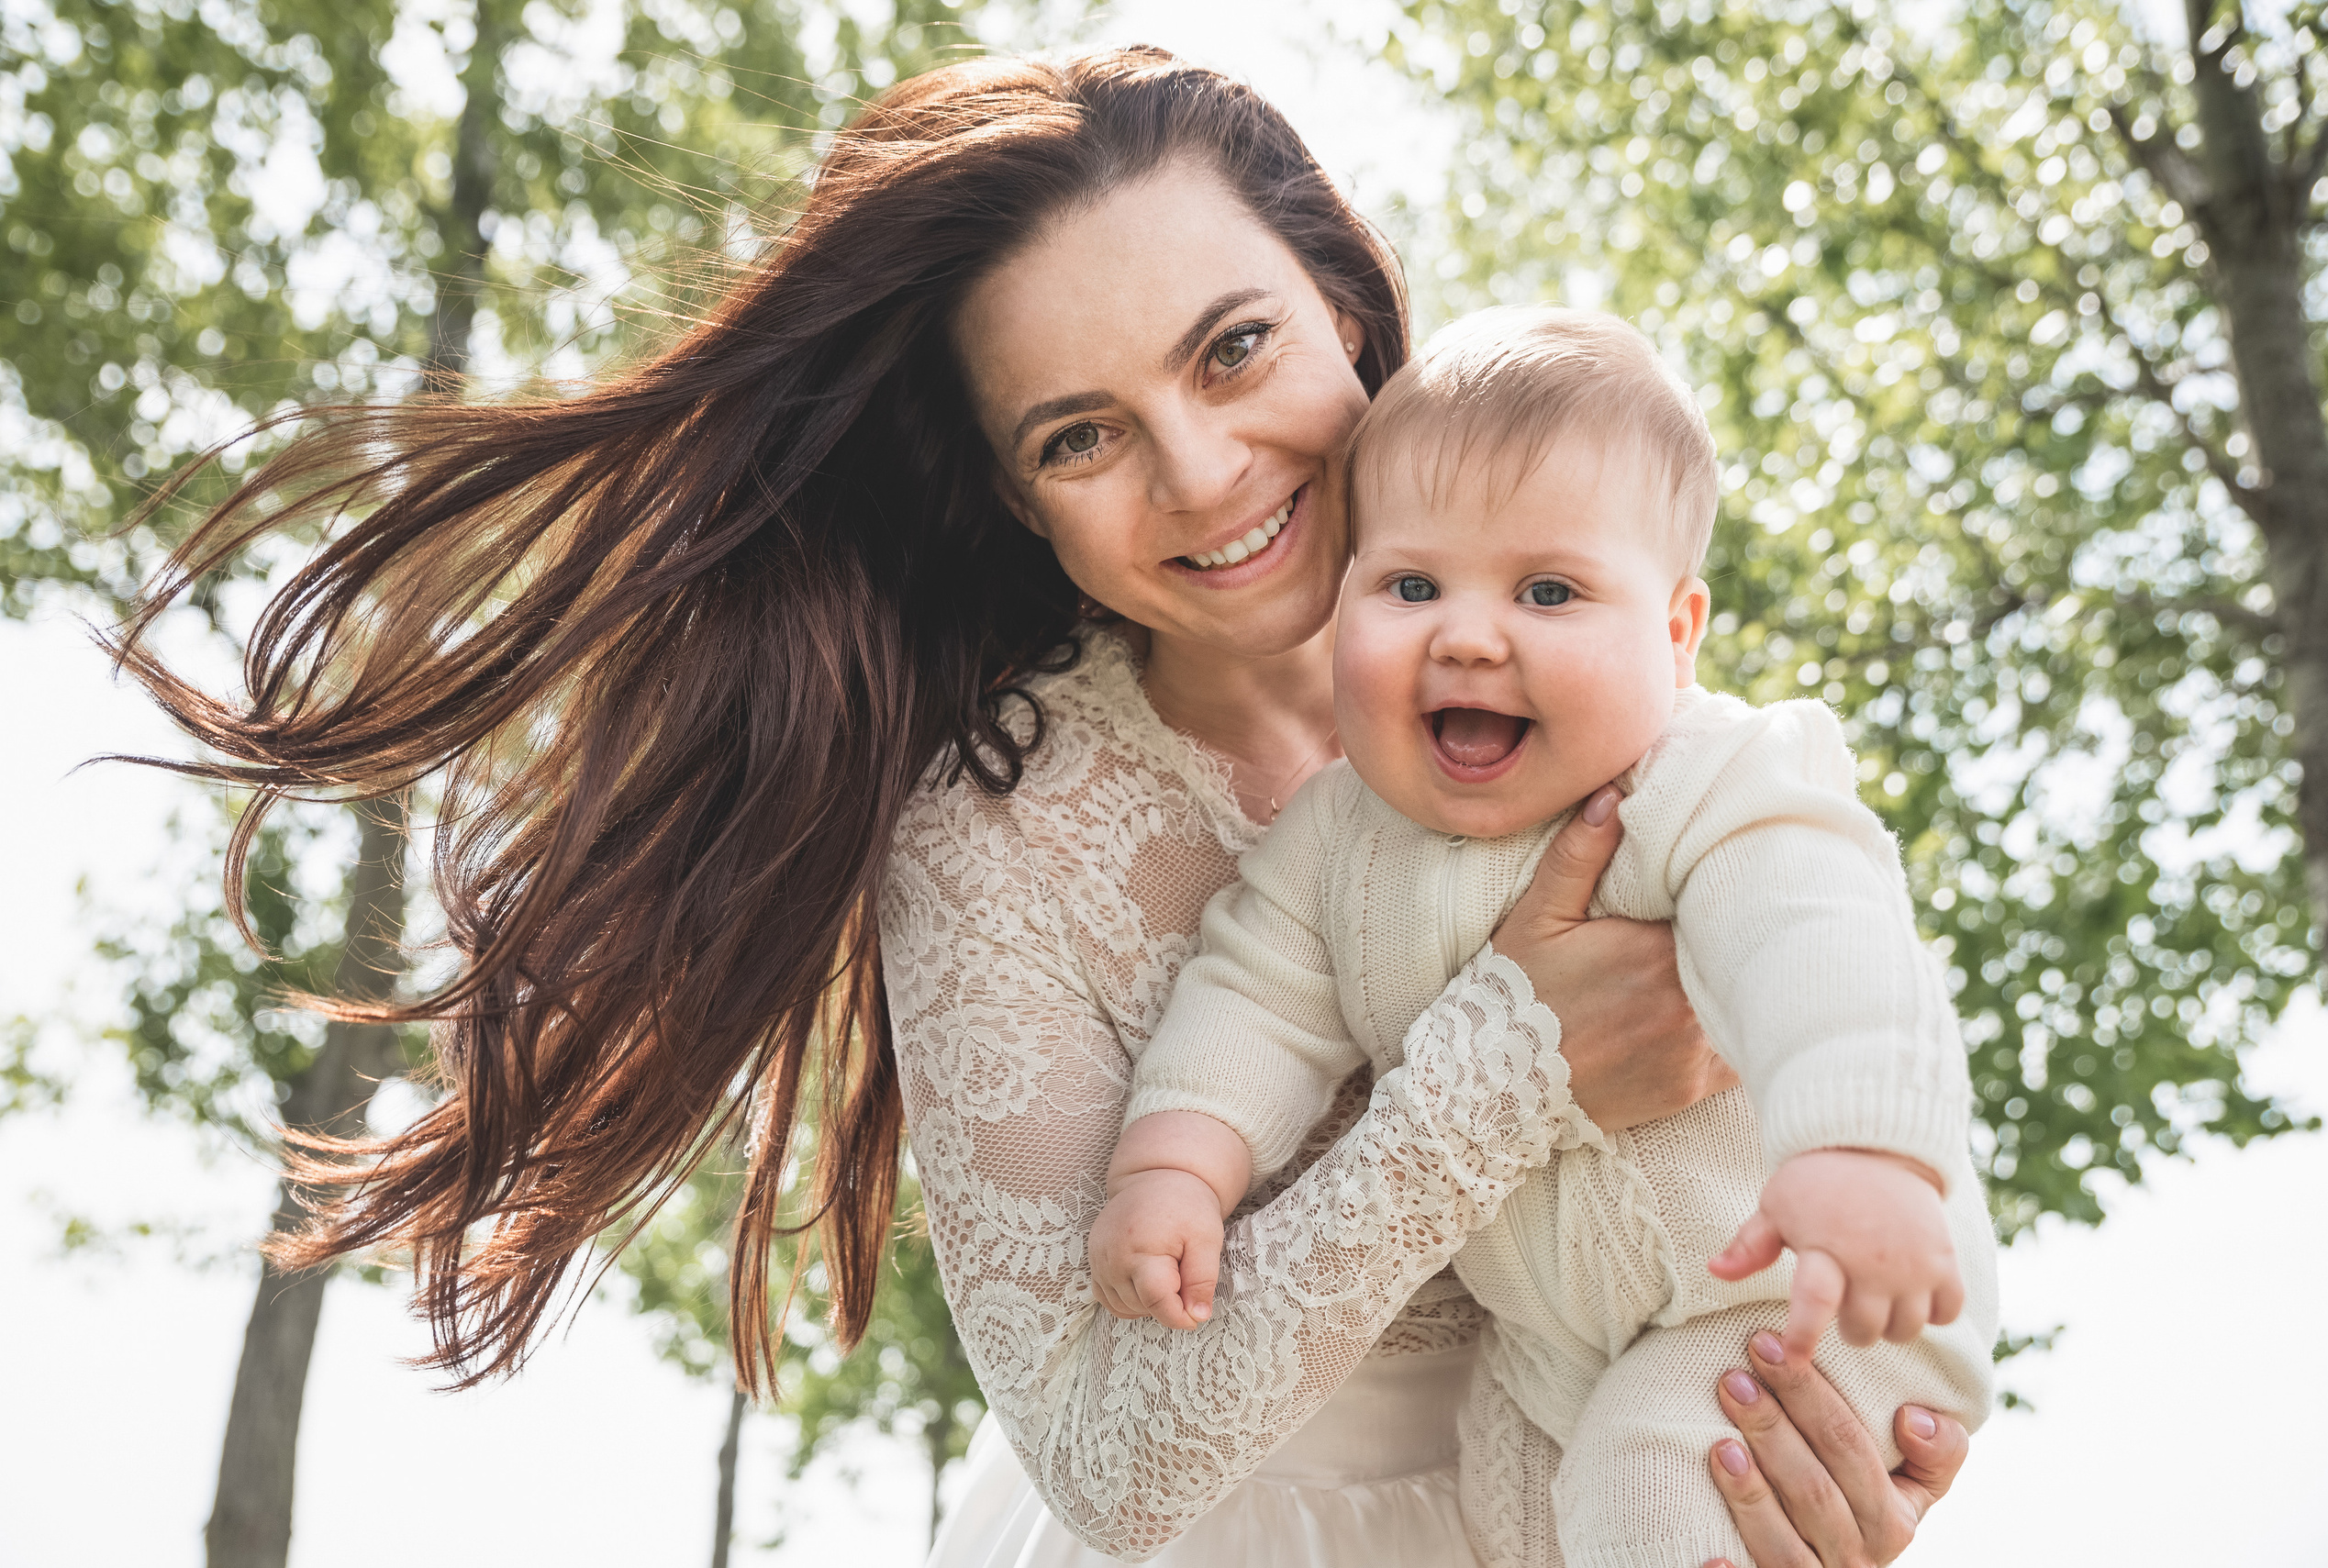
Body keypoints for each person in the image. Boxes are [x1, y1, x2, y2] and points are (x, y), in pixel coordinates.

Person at [111, 47, 1973, 1568]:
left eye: (1232, 349)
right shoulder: (1000, 840)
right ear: (1019, 505)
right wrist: (1509, 1062)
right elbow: (1111, 1462)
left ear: (1340, 309)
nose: (1198, 470)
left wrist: (1839, 1430)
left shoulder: (1579, 620)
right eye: (1078, 435)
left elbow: (1836, 1015)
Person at [1086, 307, 1999, 1566]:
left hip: (1808, 1288)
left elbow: (1817, 925)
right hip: (1554, 1353)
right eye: (1411, 585)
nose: (1468, 632)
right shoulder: (1337, 837)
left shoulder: (1698, 776)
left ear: (1676, 637)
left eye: (1550, 591)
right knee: (1507, 1519)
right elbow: (1255, 994)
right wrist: (1175, 1166)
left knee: (1648, 1481)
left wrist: (1859, 1147)